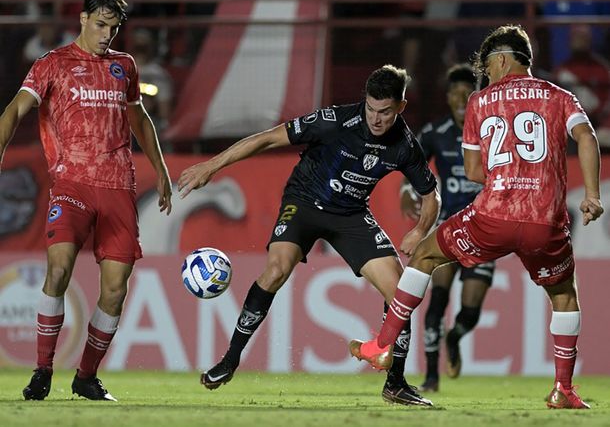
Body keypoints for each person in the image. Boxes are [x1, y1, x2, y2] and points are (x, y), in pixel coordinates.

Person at [350, 25, 604, 409]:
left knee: (424, 256)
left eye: (487, 65)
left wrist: (508, 176)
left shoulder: (480, 101)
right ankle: (563, 389)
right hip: (545, 220)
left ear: (501, 59)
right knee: (565, 295)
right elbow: (587, 137)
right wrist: (591, 195)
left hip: (492, 217)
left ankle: (383, 346)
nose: (485, 73)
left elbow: (472, 171)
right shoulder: (559, 95)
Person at [178, 64, 441, 406]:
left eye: (386, 112)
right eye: (371, 109)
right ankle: (230, 360)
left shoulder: (405, 145)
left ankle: (395, 383)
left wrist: (420, 231)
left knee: (401, 292)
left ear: (401, 107)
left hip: (350, 214)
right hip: (303, 202)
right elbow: (268, 138)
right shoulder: (335, 120)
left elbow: (431, 196)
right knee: (276, 270)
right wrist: (211, 165)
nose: (376, 119)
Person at [0, 0, 173, 402]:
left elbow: (140, 119)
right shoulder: (53, 63)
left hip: (118, 187)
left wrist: (161, 170)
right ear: (82, 19)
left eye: (113, 28)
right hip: (72, 183)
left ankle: (86, 377)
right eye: (100, 25)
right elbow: (16, 109)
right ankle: (42, 370)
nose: (106, 35)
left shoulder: (124, 66)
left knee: (115, 288)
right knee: (58, 269)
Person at [400, 63, 495, 393]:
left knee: (470, 311)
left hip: (484, 229)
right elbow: (412, 164)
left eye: (466, 93)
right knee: (437, 300)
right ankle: (431, 376)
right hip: (449, 226)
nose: (459, 99)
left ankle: (454, 337)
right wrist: (405, 190)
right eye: (454, 93)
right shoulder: (435, 132)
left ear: (476, 96)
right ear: (447, 97)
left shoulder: (492, 129)